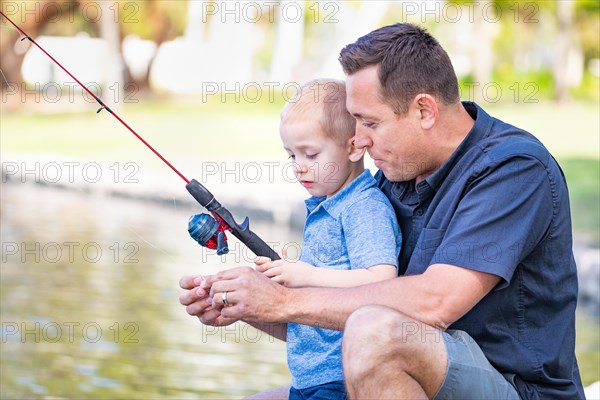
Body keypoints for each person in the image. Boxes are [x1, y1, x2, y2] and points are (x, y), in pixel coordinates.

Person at [180, 23, 584, 399]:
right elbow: (340, 321)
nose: (357, 139)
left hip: (516, 388)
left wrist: (283, 303)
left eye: (369, 122)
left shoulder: (513, 170)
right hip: (415, 367)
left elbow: (433, 304)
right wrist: (248, 305)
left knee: (375, 330)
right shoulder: (393, 176)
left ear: (424, 111)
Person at [256, 78, 401, 400]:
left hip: (339, 377)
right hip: (309, 376)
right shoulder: (327, 205)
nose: (298, 167)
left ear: (352, 147)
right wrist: (285, 276)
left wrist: (305, 274)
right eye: (291, 156)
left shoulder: (364, 207)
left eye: (310, 154)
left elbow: (382, 279)